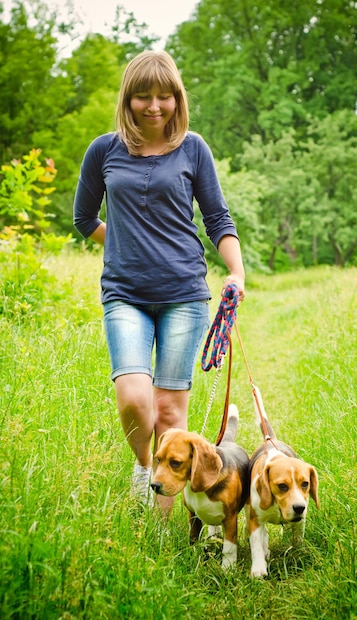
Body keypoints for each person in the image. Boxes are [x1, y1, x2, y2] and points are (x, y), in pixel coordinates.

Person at [73, 50, 245, 515]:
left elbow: (217, 218)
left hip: (184, 294)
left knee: (170, 412)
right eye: (142, 96)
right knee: (133, 398)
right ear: (127, 100)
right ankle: (148, 467)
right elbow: (83, 218)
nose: (154, 106)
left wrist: (235, 271)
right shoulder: (103, 150)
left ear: (177, 98)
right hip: (124, 293)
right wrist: (124, 243)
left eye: (164, 96)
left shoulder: (194, 148)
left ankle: (165, 528)